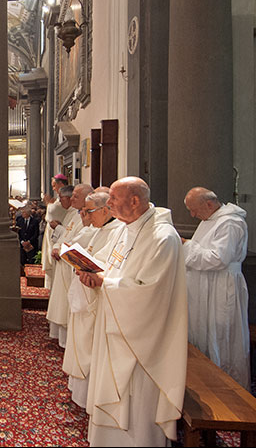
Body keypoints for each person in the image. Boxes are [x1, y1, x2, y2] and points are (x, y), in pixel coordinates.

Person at [75, 177, 187, 446]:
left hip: (141, 338)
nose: (109, 204)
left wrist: (106, 283)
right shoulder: (127, 229)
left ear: (135, 200)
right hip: (113, 324)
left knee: (135, 403)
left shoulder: (162, 238)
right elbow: (112, 269)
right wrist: (93, 274)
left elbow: (151, 292)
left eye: (114, 198)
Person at [182, 186, 251, 389]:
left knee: (221, 338)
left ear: (209, 204)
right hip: (205, 286)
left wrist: (185, 245)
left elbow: (218, 258)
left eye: (194, 209)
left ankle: (228, 391)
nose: (193, 215)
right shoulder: (210, 219)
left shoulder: (230, 223)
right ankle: (205, 386)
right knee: (204, 336)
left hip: (221, 288)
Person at [62, 191, 122, 408]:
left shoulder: (117, 231)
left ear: (105, 210)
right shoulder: (101, 229)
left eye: (89, 211)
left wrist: (94, 274)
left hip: (99, 299)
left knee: (90, 347)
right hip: (88, 290)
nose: (84, 216)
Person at [48, 183, 93, 347]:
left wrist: (61, 248)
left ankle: (67, 342)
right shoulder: (73, 214)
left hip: (70, 263)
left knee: (67, 305)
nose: (72, 199)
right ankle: (62, 339)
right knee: (61, 303)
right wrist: (56, 247)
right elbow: (66, 234)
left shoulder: (85, 215)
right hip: (63, 260)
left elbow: (79, 238)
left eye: (76, 196)